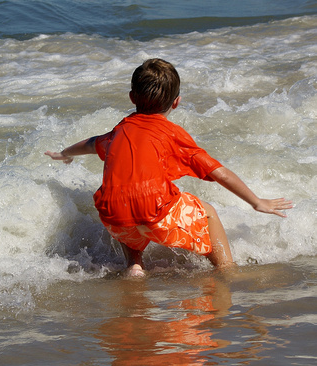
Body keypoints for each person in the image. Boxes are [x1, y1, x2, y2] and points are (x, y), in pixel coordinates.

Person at [45, 58, 292, 276]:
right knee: (207, 212)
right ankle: (226, 269)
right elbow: (219, 172)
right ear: (176, 103)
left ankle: (134, 266)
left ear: (132, 98)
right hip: (154, 213)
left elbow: (90, 144)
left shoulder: (119, 131)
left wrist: (64, 153)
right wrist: (257, 202)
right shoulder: (171, 133)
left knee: (126, 199)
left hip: (113, 217)